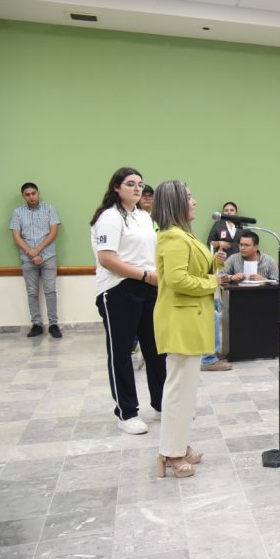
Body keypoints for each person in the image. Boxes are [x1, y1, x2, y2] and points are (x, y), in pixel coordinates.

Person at [90, 167, 165, 435]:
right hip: (119, 289)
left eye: (140, 184)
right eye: (130, 184)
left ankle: (161, 403)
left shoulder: (144, 217)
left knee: (156, 349)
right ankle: (127, 412)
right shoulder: (109, 218)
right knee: (121, 353)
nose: (137, 188)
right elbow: (107, 259)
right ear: (116, 188)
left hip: (148, 287)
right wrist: (145, 275)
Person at [152, 180, 216, 478]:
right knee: (178, 392)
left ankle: (178, 443)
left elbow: (192, 270)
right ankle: (171, 455)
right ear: (176, 203)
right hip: (179, 322)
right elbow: (177, 280)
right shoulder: (173, 238)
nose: (194, 202)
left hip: (188, 321)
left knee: (184, 391)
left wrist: (212, 266)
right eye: (189, 197)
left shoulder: (182, 236)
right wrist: (212, 283)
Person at [207, 231, 280, 371]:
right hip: (239, 302)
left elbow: (277, 281)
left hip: (264, 301)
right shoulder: (233, 259)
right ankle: (241, 347)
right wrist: (232, 277)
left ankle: (271, 339)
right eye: (241, 244)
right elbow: (221, 276)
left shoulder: (268, 261)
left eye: (246, 245)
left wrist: (265, 280)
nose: (242, 248)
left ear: (256, 247)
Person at [10, 182, 62, 338]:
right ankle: (37, 324)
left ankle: (53, 324)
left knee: (50, 291)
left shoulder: (50, 209)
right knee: (32, 292)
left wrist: (37, 250)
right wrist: (31, 253)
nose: (31, 197)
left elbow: (53, 232)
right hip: (27, 258)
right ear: (23, 196)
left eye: (33, 193)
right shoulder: (18, 212)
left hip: (48, 257)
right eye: (27, 194)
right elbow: (16, 236)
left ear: (38, 193)